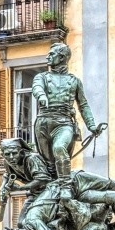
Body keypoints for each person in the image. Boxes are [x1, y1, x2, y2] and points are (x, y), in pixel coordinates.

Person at [30, 41, 103, 180]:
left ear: (62, 58)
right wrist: (41, 95)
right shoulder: (42, 77)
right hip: (44, 122)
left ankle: (65, 187)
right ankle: (51, 191)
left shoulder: (74, 81)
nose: (47, 57)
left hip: (64, 123)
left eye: (51, 54)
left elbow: (83, 105)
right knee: (49, 165)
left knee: (59, 149)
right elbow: (37, 87)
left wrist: (91, 125)